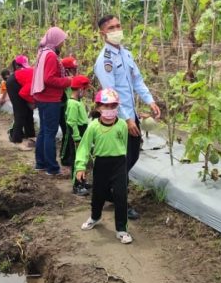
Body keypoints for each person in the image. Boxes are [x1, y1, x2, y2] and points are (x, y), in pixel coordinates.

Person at [94, 15, 161, 220]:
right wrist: (127, 119)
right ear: (102, 33)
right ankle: (119, 200)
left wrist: (149, 100)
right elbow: (111, 93)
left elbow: (137, 81)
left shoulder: (126, 54)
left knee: (130, 157)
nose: (116, 30)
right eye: (111, 27)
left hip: (131, 115)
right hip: (118, 119)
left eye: (118, 26)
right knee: (122, 162)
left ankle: (107, 190)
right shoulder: (104, 60)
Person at [75, 88, 132, 244]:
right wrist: (80, 166)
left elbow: (124, 145)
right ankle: (95, 216)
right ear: (99, 107)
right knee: (98, 194)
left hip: (119, 163)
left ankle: (122, 229)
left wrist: (123, 161)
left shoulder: (122, 125)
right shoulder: (93, 126)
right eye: (106, 106)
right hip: (101, 163)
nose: (109, 110)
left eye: (113, 106)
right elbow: (85, 147)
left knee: (121, 196)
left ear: (117, 107)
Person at [31, 27, 72, 176]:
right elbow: (48, 79)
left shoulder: (43, 52)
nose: (62, 43)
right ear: (55, 40)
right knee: (50, 132)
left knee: (44, 131)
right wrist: (67, 81)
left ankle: (40, 163)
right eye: (61, 41)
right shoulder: (50, 56)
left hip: (42, 97)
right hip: (50, 98)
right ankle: (52, 168)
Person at [62, 75, 92, 196]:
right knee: (77, 159)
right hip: (78, 134)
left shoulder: (77, 102)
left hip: (82, 132)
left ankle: (82, 180)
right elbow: (71, 122)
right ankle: (77, 185)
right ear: (80, 89)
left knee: (83, 157)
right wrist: (77, 137)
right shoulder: (73, 104)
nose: (85, 93)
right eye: (85, 90)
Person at [6, 56, 34, 148]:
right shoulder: (36, 78)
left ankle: (31, 135)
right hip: (13, 84)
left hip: (20, 83)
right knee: (20, 113)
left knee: (29, 112)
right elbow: (24, 93)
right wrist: (32, 102)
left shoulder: (40, 76)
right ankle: (17, 140)